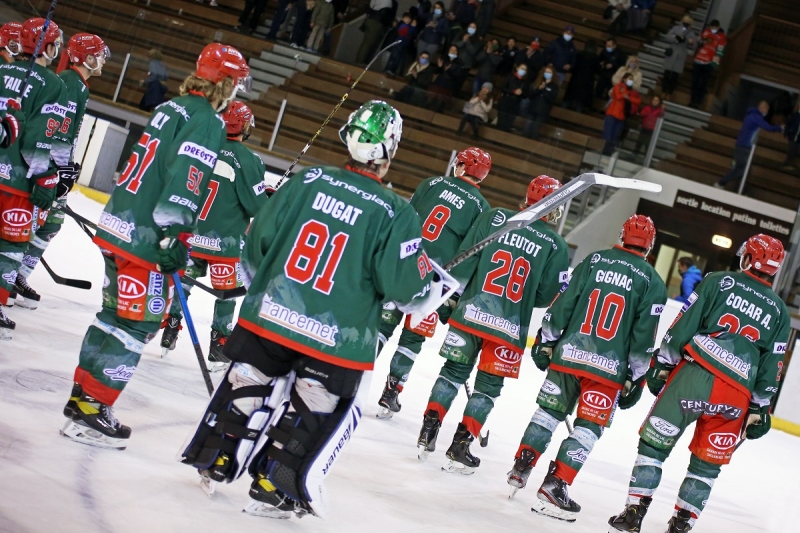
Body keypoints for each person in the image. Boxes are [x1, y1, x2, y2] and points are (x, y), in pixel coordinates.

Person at [179, 100, 448, 520]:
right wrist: (430, 288)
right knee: (314, 406)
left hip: (271, 314)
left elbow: (257, 244)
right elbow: (403, 289)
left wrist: (261, 295)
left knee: (246, 381)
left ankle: (214, 456)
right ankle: (274, 485)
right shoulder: (396, 212)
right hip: (337, 336)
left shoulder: (307, 180)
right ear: (389, 149)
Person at [59, 44, 251, 448]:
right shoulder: (207, 122)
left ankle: (82, 398)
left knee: (111, 317)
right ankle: (93, 408)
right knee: (138, 324)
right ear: (227, 82)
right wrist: (174, 235)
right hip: (146, 241)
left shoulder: (171, 107)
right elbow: (185, 179)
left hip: (117, 226)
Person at [608, 234, 789, 533]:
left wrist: (663, 364)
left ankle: (634, 512)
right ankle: (681, 525)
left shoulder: (719, 281)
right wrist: (760, 407)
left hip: (695, 375)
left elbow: (685, 323)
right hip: (737, 395)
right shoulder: (780, 311)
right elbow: (773, 366)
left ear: (747, 258)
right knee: (707, 466)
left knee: (654, 445)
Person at [508, 215, 667, 521]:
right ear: (650, 246)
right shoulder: (652, 282)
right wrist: (637, 376)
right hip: (607, 370)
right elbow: (643, 337)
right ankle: (555, 485)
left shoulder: (595, 260)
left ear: (622, 235)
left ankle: (521, 465)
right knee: (588, 428)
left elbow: (564, 304)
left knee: (547, 413)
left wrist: (547, 339)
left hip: (568, 355)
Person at [417, 175, 570, 473]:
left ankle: (428, 430)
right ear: (551, 207)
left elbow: (466, 260)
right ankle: (460, 445)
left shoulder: (496, 216)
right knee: (487, 389)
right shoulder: (555, 244)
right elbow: (544, 296)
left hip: (470, 314)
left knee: (452, 373)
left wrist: (451, 300)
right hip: (509, 329)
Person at [376, 147, 491, 419]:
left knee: (381, 327)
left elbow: (405, 220)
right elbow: (470, 253)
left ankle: (355, 372)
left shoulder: (432, 183)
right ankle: (391, 391)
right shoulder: (481, 208)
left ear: (460, 166)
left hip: (404, 267)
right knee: (412, 339)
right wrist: (454, 294)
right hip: (436, 281)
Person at [160, 101, 270, 367]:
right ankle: (219, 344)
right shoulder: (249, 160)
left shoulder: (203, 147)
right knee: (228, 294)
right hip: (226, 244)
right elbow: (256, 206)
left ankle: (170, 328)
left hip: (191, 236)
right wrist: (266, 196)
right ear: (244, 127)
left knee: (184, 284)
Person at [13, 33, 109, 310]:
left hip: (53, 163)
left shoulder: (78, 84)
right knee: (33, 223)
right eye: (100, 54)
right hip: (46, 165)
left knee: (49, 224)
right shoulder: (70, 83)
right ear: (88, 58)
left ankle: (17, 274)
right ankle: (11, 277)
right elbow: (56, 129)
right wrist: (60, 168)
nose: (103, 60)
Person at [0, 18, 66, 338]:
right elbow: (37, 139)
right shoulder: (53, 84)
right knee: (11, 246)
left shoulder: (2, 71)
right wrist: (46, 178)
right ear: (49, 47)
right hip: (16, 181)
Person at [715, 101, 782, 189]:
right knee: (744, 170)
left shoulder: (751, 115)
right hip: (744, 146)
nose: (767, 112)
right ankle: (724, 184)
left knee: (742, 169)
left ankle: (730, 186)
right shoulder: (756, 117)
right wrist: (780, 128)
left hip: (743, 146)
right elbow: (768, 127)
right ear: (763, 108)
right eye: (767, 109)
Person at [690, 19, 726, 108]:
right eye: (711, 27)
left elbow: (720, 52)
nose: (712, 29)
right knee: (695, 81)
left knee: (702, 83)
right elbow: (699, 42)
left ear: (718, 27)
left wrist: (713, 65)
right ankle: (692, 101)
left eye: (714, 28)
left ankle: (698, 102)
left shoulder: (721, 37)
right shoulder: (706, 32)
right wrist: (700, 41)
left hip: (708, 63)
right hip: (698, 60)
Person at [603, 73, 641, 155]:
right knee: (608, 135)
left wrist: (628, 97)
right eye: (629, 78)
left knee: (615, 136)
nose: (631, 80)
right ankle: (604, 153)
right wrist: (626, 95)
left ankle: (609, 154)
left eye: (632, 79)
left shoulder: (632, 91)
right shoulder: (618, 86)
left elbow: (638, 101)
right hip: (613, 113)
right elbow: (618, 96)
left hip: (622, 116)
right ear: (624, 79)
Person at [661, 15, 697, 96]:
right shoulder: (676, 28)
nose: (686, 23)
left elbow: (695, 45)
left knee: (675, 75)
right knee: (667, 72)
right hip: (673, 51)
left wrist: (691, 42)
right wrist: (677, 38)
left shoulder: (691, 33)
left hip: (681, 53)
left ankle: (670, 92)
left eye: (688, 22)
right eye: (685, 21)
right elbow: (667, 36)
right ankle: (663, 91)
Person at [563, 39, 600, 113]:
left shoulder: (579, 54)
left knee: (569, 98)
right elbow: (598, 70)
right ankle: (576, 116)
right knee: (581, 101)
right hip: (587, 81)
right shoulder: (595, 58)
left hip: (576, 78)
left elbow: (574, 66)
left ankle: (561, 112)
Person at [523, 66, 558, 139]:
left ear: (553, 74)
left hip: (543, 111)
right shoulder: (537, 82)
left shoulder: (554, 87)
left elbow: (551, 99)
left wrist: (544, 90)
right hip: (533, 108)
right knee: (527, 127)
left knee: (535, 129)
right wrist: (539, 89)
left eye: (549, 72)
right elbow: (531, 95)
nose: (547, 74)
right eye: (546, 72)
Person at [426, 45, 463, 112]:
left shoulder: (459, 63)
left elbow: (457, 75)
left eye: (455, 50)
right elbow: (436, 72)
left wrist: (448, 70)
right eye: (451, 50)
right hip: (438, 84)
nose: (453, 52)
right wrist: (440, 67)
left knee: (439, 105)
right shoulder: (444, 59)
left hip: (447, 86)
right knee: (429, 101)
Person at [355, 0, 393, 64]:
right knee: (369, 44)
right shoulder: (388, 1)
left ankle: (358, 60)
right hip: (377, 22)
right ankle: (360, 62)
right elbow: (386, 14)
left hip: (370, 19)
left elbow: (370, 6)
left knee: (364, 42)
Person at [496, 63, 529, 131]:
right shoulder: (510, 76)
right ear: (517, 68)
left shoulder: (525, 82)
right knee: (501, 121)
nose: (523, 71)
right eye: (522, 69)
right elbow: (502, 87)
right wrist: (513, 91)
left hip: (515, 103)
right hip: (506, 100)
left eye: (525, 70)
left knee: (508, 123)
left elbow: (526, 94)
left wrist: (521, 93)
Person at [782, 102, 800, 169]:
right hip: (793, 136)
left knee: (795, 151)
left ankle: (788, 164)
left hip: (798, 138)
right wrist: (786, 133)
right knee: (792, 151)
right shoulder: (795, 115)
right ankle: (786, 164)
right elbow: (788, 124)